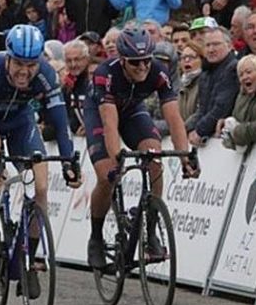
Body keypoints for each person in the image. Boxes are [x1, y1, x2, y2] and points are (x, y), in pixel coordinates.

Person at [0, 24, 82, 270]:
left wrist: (69, 162)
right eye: (19, 63)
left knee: (40, 186)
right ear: (8, 58)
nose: (24, 71)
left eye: (31, 65)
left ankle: (27, 255)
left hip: (20, 120)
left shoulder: (47, 75)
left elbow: (61, 124)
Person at [84, 26, 197, 268]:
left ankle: (152, 230)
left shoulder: (159, 71)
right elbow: (110, 124)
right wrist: (118, 160)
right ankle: (95, 237)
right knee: (107, 177)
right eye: (136, 63)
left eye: (146, 60)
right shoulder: (106, 73)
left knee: (154, 156)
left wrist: (185, 157)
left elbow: (174, 119)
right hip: (103, 114)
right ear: (123, 60)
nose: (143, 67)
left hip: (133, 112)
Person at [186, 27, 240, 146]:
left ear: (229, 46)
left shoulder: (232, 69)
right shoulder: (205, 74)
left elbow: (222, 107)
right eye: (207, 45)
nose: (211, 49)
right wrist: (188, 128)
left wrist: (200, 131)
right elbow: (202, 109)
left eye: (216, 44)